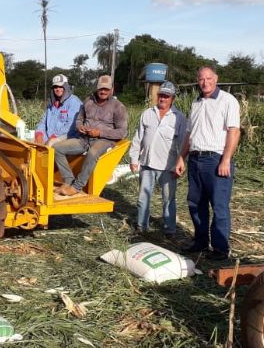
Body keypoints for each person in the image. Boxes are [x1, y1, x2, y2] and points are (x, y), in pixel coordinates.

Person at [175, 66, 240, 260]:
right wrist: (181, 157)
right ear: (198, 80)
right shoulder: (196, 103)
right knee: (196, 203)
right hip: (195, 159)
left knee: (219, 206)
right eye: (201, 79)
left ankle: (220, 249)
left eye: (209, 78)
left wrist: (226, 159)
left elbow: (233, 131)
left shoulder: (228, 101)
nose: (205, 82)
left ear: (216, 78)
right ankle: (201, 241)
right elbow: (189, 134)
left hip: (216, 160)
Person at [54, 75, 128, 197]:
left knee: (92, 153)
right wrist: (80, 127)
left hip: (104, 140)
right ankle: (68, 181)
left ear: (112, 90)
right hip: (84, 139)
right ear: (97, 88)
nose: (103, 91)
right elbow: (79, 119)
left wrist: (100, 133)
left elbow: (122, 132)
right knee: (57, 149)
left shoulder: (118, 106)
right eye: (101, 89)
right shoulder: (88, 101)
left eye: (106, 89)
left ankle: (77, 186)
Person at [129, 81, 187, 237]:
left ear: (172, 99)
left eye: (166, 96)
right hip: (147, 164)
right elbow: (138, 138)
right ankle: (141, 227)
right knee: (143, 198)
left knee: (168, 199)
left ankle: (170, 230)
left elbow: (183, 143)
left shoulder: (179, 118)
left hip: (168, 167)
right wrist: (134, 159)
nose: (163, 99)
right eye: (161, 95)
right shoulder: (147, 113)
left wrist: (180, 163)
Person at [34, 74, 82, 147]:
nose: (58, 89)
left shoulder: (74, 102)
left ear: (66, 87)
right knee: (31, 143)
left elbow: (71, 126)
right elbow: (43, 122)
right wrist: (39, 135)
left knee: (51, 145)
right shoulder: (51, 104)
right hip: (49, 136)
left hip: (67, 136)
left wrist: (54, 136)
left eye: (61, 87)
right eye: (55, 87)